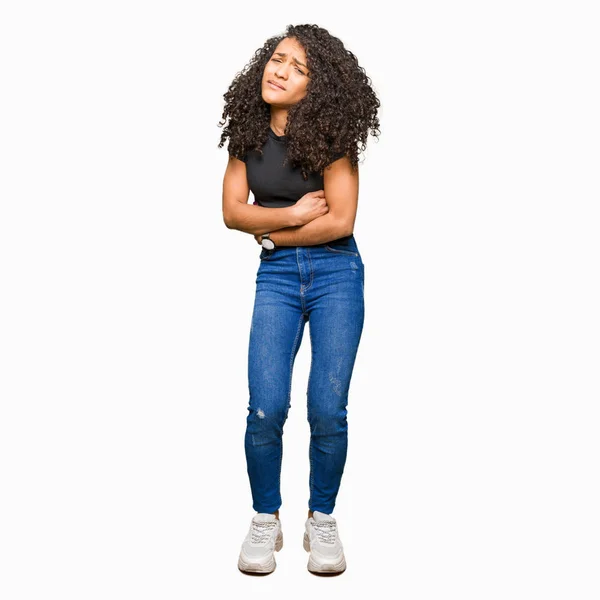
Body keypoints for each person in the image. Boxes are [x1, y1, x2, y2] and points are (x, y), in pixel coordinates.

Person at [219, 24, 380, 575]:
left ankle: (322, 518)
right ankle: (267, 518)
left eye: (297, 67)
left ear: (318, 87)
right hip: (278, 279)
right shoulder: (246, 133)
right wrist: (286, 218)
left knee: (326, 409)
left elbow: (340, 219)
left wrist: (267, 235)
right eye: (277, 58)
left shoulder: (333, 137)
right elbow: (231, 212)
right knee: (265, 407)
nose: (279, 70)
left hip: (339, 273)